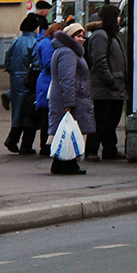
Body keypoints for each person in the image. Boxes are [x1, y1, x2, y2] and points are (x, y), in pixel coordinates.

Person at [48, 22, 92, 175]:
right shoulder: (68, 52)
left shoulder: (67, 51)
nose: (80, 39)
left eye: (82, 36)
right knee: (69, 131)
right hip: (68, 98)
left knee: (67, 131)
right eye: (77, 36)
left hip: (69, 96)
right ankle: (67, 164)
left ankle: (62, 164)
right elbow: (68, 79)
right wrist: (69, 102)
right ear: (70, 37)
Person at [85, 4, 127, 162]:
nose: (120, 19)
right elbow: (99, 61)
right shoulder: (101, 35)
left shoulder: (112, 34)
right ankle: (91, 150)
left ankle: (110, 149)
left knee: (112, 120)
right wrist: (110, 80)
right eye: (117, 16)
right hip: (107, 86)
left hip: (115, 86)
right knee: (101, 120)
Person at [3, 14, 40, 154]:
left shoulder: (16, 41)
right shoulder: (34, 43)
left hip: (15, 78)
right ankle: (25, 144)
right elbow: (36, 64)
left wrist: (11, 70)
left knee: (17, 110)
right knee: (29, 110)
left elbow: (7, 58)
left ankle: (13, 138)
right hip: (28, 79)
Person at [33, 22, 63, 156]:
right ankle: (45, 146)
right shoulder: (47, 44)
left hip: (47, 81)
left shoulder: (45, 41)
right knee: (47, 115)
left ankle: (47, 145)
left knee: (48, 115)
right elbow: (48, 63)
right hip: (47, 82)